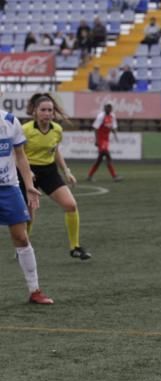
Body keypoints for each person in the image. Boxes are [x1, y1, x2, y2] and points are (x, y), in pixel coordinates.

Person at [20, 94, 91, 260]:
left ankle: (75, 247)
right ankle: (23, 248)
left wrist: (67, 171)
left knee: (71, 205)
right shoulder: (25, 130)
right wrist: (27, 172)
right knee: (29, 214)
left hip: (49, 171)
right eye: (43, 110)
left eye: (50, 110)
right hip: (27, 171)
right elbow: (17, 153)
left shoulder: (57, 130)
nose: (47, 113)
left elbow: (55, 151)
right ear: (35, 112)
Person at [1, 108, 53, 304]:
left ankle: (35, 290)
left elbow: (20, 155)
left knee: (22, 237)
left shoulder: (9, 120)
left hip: (9, 188)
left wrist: (29, 186)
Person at [88, 103, 122, 182]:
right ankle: (114, 176)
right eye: (107, 107)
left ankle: (90, 175)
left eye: (110, 107)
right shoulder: (101, 116)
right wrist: (96, 140)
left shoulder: (112, 116)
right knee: (106, 154)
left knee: (100, 159)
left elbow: (113, 127)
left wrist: (115, 134)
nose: (109, 109)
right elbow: (95, 128)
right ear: (104, 108)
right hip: (100, 139)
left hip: (106, 139)